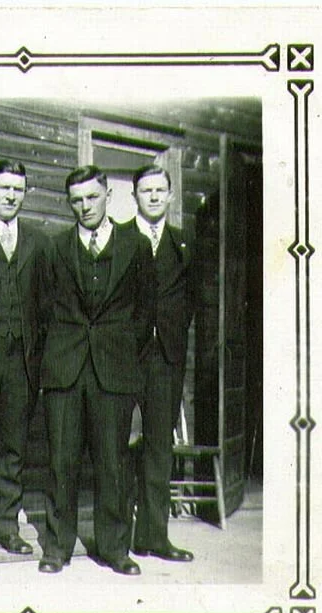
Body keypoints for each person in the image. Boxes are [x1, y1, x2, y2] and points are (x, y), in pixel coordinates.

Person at [35, 165, 154, 576]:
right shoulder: (55, 248)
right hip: (65, 372)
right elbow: (43, 311)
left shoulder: (136, 246)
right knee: (61, 464)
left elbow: (145, 315)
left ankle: (115, 548)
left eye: (92, 197)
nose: (85, 206)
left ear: (107, 195)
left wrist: (121, 353)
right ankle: (57, 548)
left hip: (114, 371)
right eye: (76, 200)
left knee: (114, 464)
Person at [0, 159, 46, 556]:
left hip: (21, 362)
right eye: (4, 188)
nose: (11, 196)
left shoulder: (37, 241)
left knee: (11, 449)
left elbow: (46, 305)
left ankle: (5, 526)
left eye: (18, 190)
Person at [125, 165, 195, 563]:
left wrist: (170, 335)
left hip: (166, 359)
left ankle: (154, 536)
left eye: (159, 190)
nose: (153, 196)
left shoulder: (183, 243)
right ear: (134, 195)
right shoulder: (120, 237)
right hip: (124, 359)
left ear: (170, 195)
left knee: (157, 449)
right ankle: (119, 537)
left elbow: (189, 301)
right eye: (145, 190)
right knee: (118, 445)